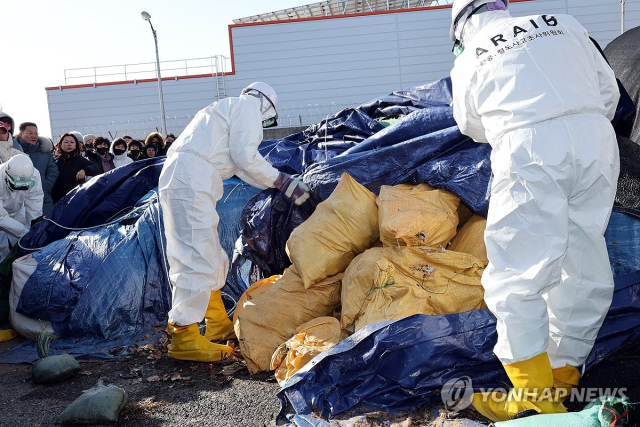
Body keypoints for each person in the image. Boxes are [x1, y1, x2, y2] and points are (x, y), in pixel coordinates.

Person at [449, 0, 620, 421]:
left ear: (461, 29)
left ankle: (532, 398)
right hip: (595, 140)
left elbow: (470, 124)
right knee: (583, 261)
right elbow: (608, 91)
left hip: (529, 146)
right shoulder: (564, 22)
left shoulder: (470, 56)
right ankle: (562, 380)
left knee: (516, 273)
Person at [159, 81, 310, 362]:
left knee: (208, 251)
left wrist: (280, 184)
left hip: (187, 176)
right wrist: (284, 181)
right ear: (266, 105)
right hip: (191, 179)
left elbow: (243, 167)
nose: (264, 123)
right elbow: (245, 156)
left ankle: (216, 322)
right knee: (195, 254)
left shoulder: (224, 109)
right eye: (268, 119)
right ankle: (184, 337)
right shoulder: (246, 107)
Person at [0, 154, 43, 260]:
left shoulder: (35, 174)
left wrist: (32, 229)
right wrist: (24, 231)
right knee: (1, 247)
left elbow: (34, 203)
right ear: (7, 176)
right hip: (2, 214)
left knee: (22, 245)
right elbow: (1, 217)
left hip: (18, 212)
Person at [16, 122, 59, 215]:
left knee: (44, 221)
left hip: (43, 197)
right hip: (17, 198)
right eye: (30, 133)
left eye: (36, 133)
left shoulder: (45, 153)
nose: (34, 136)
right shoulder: (13, 152)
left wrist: (46, 186)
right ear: (20, 134)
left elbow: (53, 171)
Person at [52, 133, 98, 203]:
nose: (69, 144)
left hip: (76, 198)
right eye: (66, 142)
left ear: (76, 145)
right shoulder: (56, 161)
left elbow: (95, 168)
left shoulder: (80, 159)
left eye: (72, 142)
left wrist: (84, 170)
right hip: (58, 199)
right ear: (60, 144)